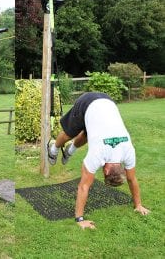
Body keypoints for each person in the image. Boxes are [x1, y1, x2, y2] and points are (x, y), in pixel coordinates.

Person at [48, 92, 150, 229]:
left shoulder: (128, 151)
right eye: (104, 173)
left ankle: (69, 152)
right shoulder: (98, 154)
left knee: (86, 134)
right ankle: (53, 149)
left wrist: (138, 205)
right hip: (87, 102)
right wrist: (80, 219)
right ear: (107, 170)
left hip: (108, 100)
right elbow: (83, 186)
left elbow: (132, 179)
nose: (102, 171)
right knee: (69, 133)